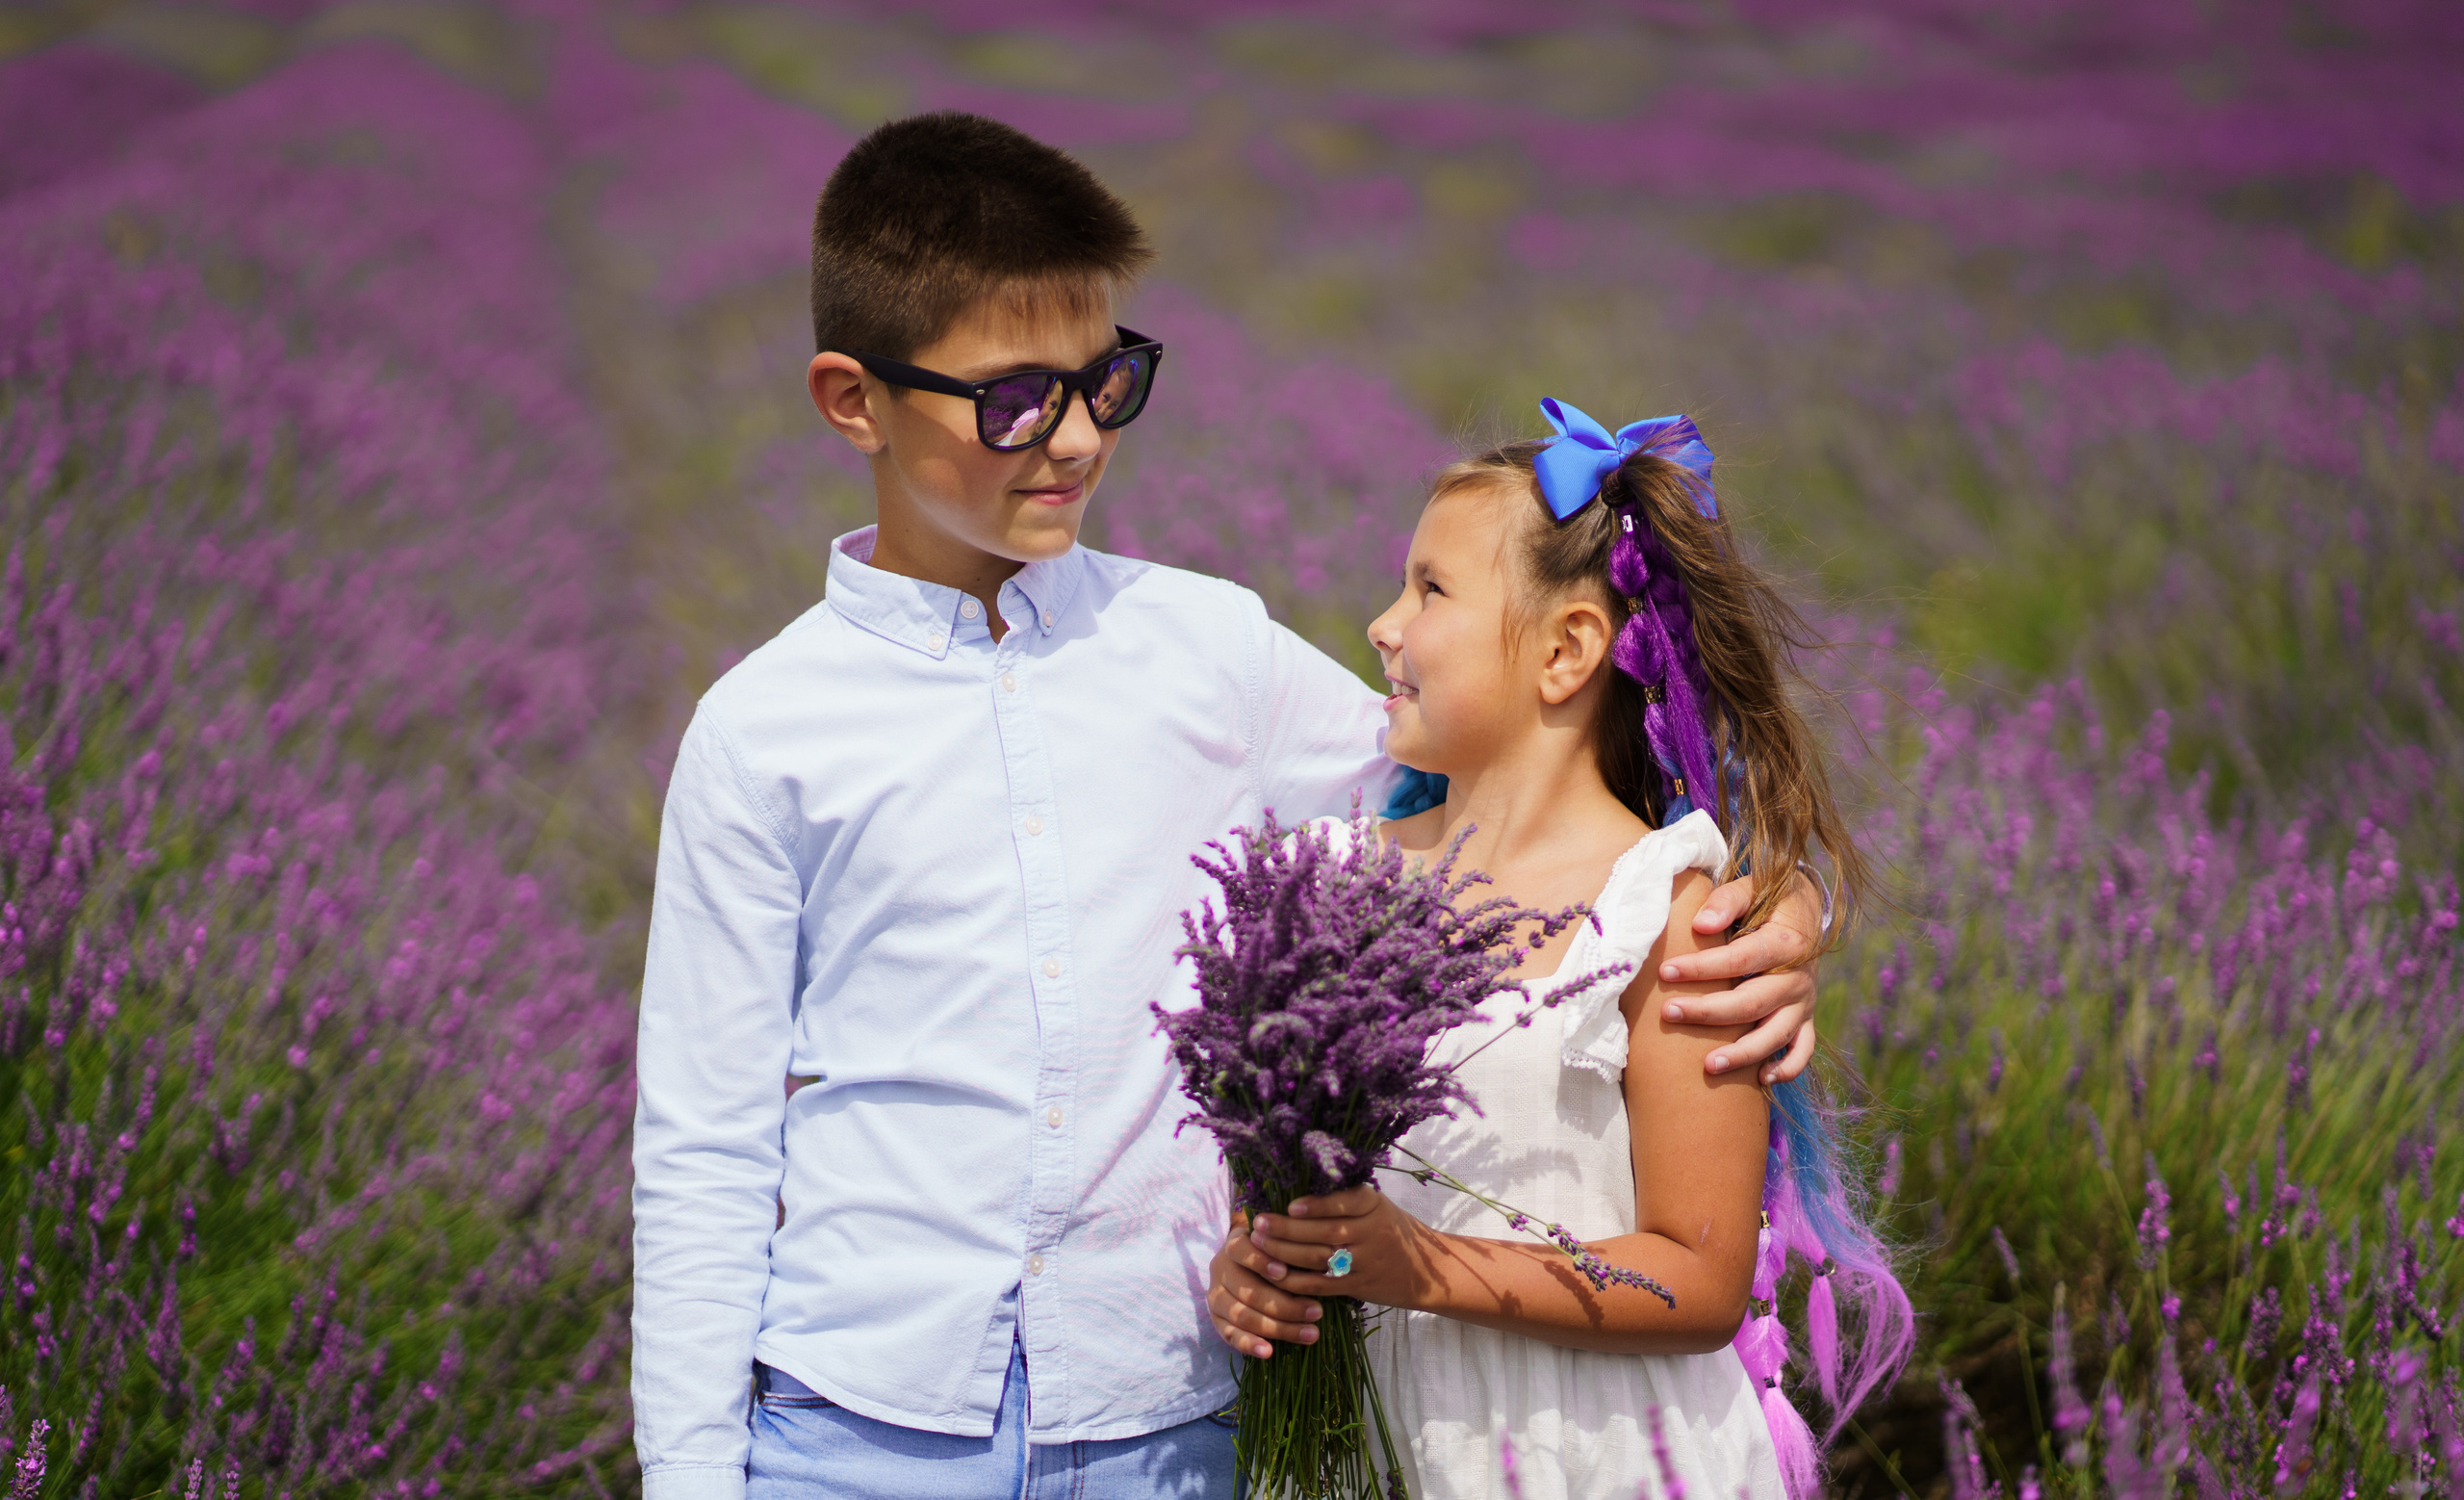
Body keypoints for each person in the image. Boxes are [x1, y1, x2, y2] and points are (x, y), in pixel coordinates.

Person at [630, 113, 1834, 1500]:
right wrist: (691, 1472)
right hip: (859, 1431)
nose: (1075, 437)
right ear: (853, 400)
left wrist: (1766, 906)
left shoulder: (1207, 650)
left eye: (1107, 382)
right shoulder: (762, 731)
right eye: (1015, 398)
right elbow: (707, 1147)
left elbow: (1512, 795)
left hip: (1164, 1429)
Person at [1209, 404, 1912, 1499]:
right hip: (1369, 1450)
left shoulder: (1664, 917)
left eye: (1429, 590)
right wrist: (1257, 1270)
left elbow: (1700, 1278)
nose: (1380, 624)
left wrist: (1419, 1264)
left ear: (1567, 649)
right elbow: (1275, 1201)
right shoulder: (1328, 881)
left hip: (1590, 1455)